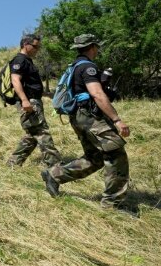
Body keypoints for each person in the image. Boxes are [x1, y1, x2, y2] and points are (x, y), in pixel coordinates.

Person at [41, 34, 131, 210]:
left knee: (95, 158)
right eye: (97, 46)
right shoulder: (88, 67)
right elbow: (97, 94)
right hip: (90, 118)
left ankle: (55, 174)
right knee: (116, 155)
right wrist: (117, 120)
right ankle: (112, 205)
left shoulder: (75, 66)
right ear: (92, 47)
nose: (97, 49)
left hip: (78, 117)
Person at [6, 35, 62, 167]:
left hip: (33, 100)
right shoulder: (20, 60)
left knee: (32, 135)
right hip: (29, 102)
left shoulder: (27, 61)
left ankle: (13, 163)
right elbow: (15, 80)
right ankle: (55, 166)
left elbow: (30, 85)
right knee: (42, 132)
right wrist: (25, 100)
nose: (38, 49)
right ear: (26, 45)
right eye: (36, 46)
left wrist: (46, 94)